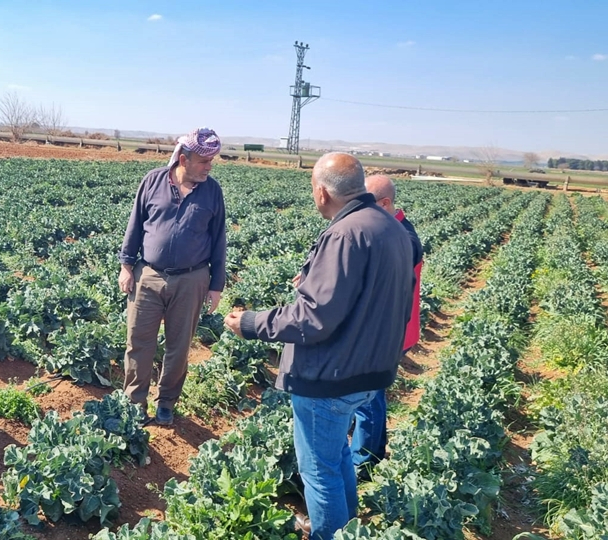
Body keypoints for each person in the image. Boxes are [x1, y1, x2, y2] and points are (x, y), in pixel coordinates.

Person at [223, 153, 414, 539]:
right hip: (369, 369)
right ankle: (348, 529)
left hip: (332, 374)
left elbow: (313, 318)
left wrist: (250, 323)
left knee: (319, 471)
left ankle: (331, 533)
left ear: (323, 192)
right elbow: (374, 295)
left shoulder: (344, 234)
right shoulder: (392, 228)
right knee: (338, 454)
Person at [118, 127, 227, 426]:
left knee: (179, 346)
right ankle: (134, 403)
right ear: (183, 158)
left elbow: (219, 240)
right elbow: (135, 224)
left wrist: (216, 286)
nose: (209, 167)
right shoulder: (153, 181)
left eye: (211, 161)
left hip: (192, 279)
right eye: (204, 162)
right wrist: (126, 265)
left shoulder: (212, 191)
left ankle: (166, 402)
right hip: (148, 276)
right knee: (138, 341)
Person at [349, 174, 424, 478]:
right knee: (373, 390)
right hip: (393, 327)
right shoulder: (393, 228)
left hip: (390, 330)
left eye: (367, 204)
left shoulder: (403, 237)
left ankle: (363, 460)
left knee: (366, 392)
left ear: (385, 203)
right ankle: (375, 450)